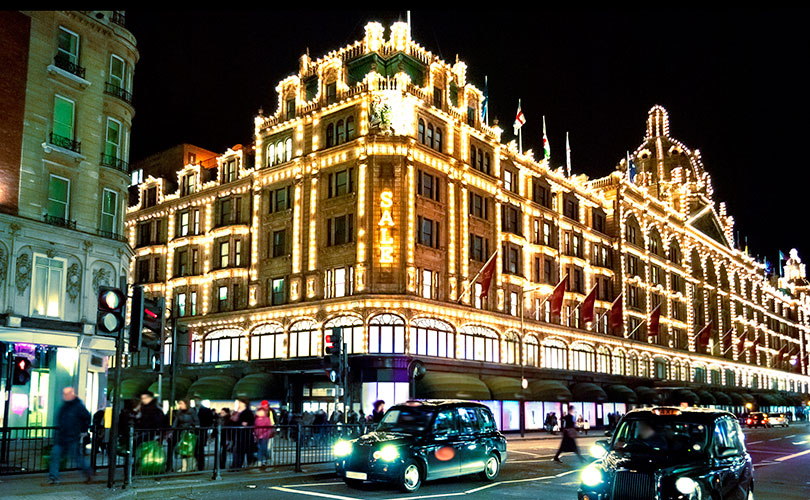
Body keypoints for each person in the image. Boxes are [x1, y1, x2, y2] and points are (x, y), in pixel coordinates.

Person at [49, 387, 92, 484]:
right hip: (65, 436)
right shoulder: (69, 406)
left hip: (70, 436)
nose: (65, 396)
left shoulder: (75, 406)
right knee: (57, 455)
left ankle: (87, 471)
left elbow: (86, 417)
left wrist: (83, 430)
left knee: (75, 457)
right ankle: (53, 476)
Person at [172, 399, 199, 472]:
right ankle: (184, 467)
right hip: (182, 433)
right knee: (183, 450)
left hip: (190, 433)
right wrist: (172, 430)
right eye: (179, 404)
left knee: (189, 450)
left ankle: (191, 466)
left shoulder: (192, 412)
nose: (180, 405)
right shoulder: (179, 412)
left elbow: (196, 422)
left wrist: (193, 428)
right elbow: (176, 422)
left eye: (182, 404)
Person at [231, 398, 254, 468]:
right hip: (238, 434)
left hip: (245, 434)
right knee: (238, 450)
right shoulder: (237, 412)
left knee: (245, 450)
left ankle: (246, 464)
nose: (238, 404)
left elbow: (246, 423)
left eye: (240, 402)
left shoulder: (247, 412)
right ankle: (237, 465)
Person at [194, 397, 214, 471]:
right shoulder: (193, 410)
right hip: (195, 432)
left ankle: (200, 465)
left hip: (202, 431)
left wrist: (205, 427)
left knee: (200, 449)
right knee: (195, 449)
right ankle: (197, 464)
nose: (196, 402)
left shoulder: (205, 410)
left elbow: (210, 420)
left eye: (197, 401)